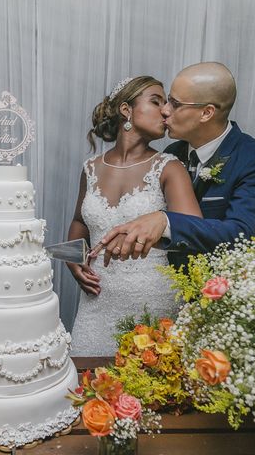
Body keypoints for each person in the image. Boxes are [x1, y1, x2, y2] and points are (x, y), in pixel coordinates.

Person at [92, 62, 255, 269]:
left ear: (206, 113)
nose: (164, 110)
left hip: (216, 291)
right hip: (165, 284)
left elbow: (242, 235)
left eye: (174, 103)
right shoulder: (171, 154)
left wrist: (165, 222)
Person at [68, 76, 201, 356]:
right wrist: (74, 260)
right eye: (156, 101)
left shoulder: (169, 167)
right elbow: (80, 222)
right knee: (88, 389)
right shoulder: (91, 168)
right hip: (96, 304)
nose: (165, 110)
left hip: (152, 300)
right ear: (126, 110)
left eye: (166, 103)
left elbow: (193, 229)